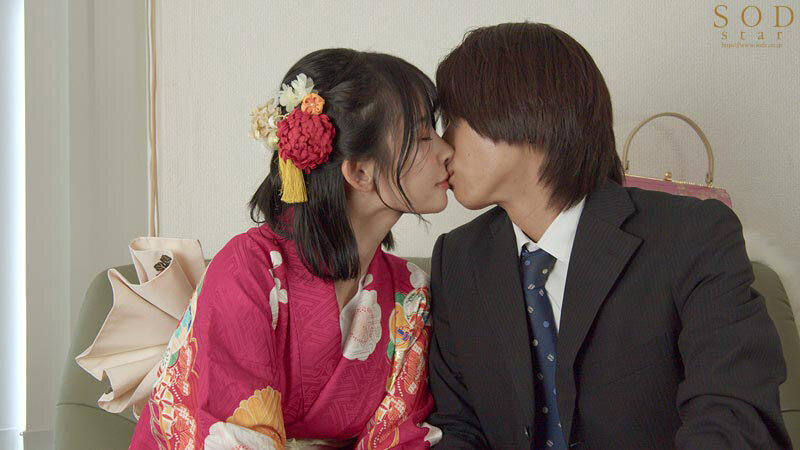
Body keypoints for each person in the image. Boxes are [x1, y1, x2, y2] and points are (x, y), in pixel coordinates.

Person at [426, 22, 791, 449]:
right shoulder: (458, 258)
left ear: (524, 115)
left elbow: (733, 412)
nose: (442, 146)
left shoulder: (692, 234)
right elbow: (457, 425)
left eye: (453, 121)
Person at [127, 48, 453, 448]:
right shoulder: (247, 270)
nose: (447, 150)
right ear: (360, 171)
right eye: (424, 136)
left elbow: (399, 438)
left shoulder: (410, 294)